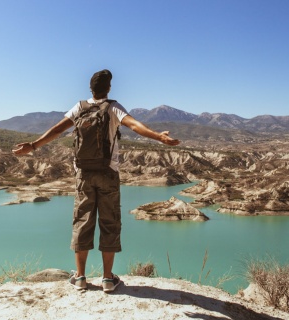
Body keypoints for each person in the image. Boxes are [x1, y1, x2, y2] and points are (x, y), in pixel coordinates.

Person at [13, 69, 180, 292]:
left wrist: (32, 146)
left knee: (82, 221)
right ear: (108, 88)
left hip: (83, 175)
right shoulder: (113, 107)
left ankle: (80, 277)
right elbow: (134, 126)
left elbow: (57, 130)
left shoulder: (79, 107)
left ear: (90, 89)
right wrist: (159, 136)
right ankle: (108, 279)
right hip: (108, 174)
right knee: (109, 223)